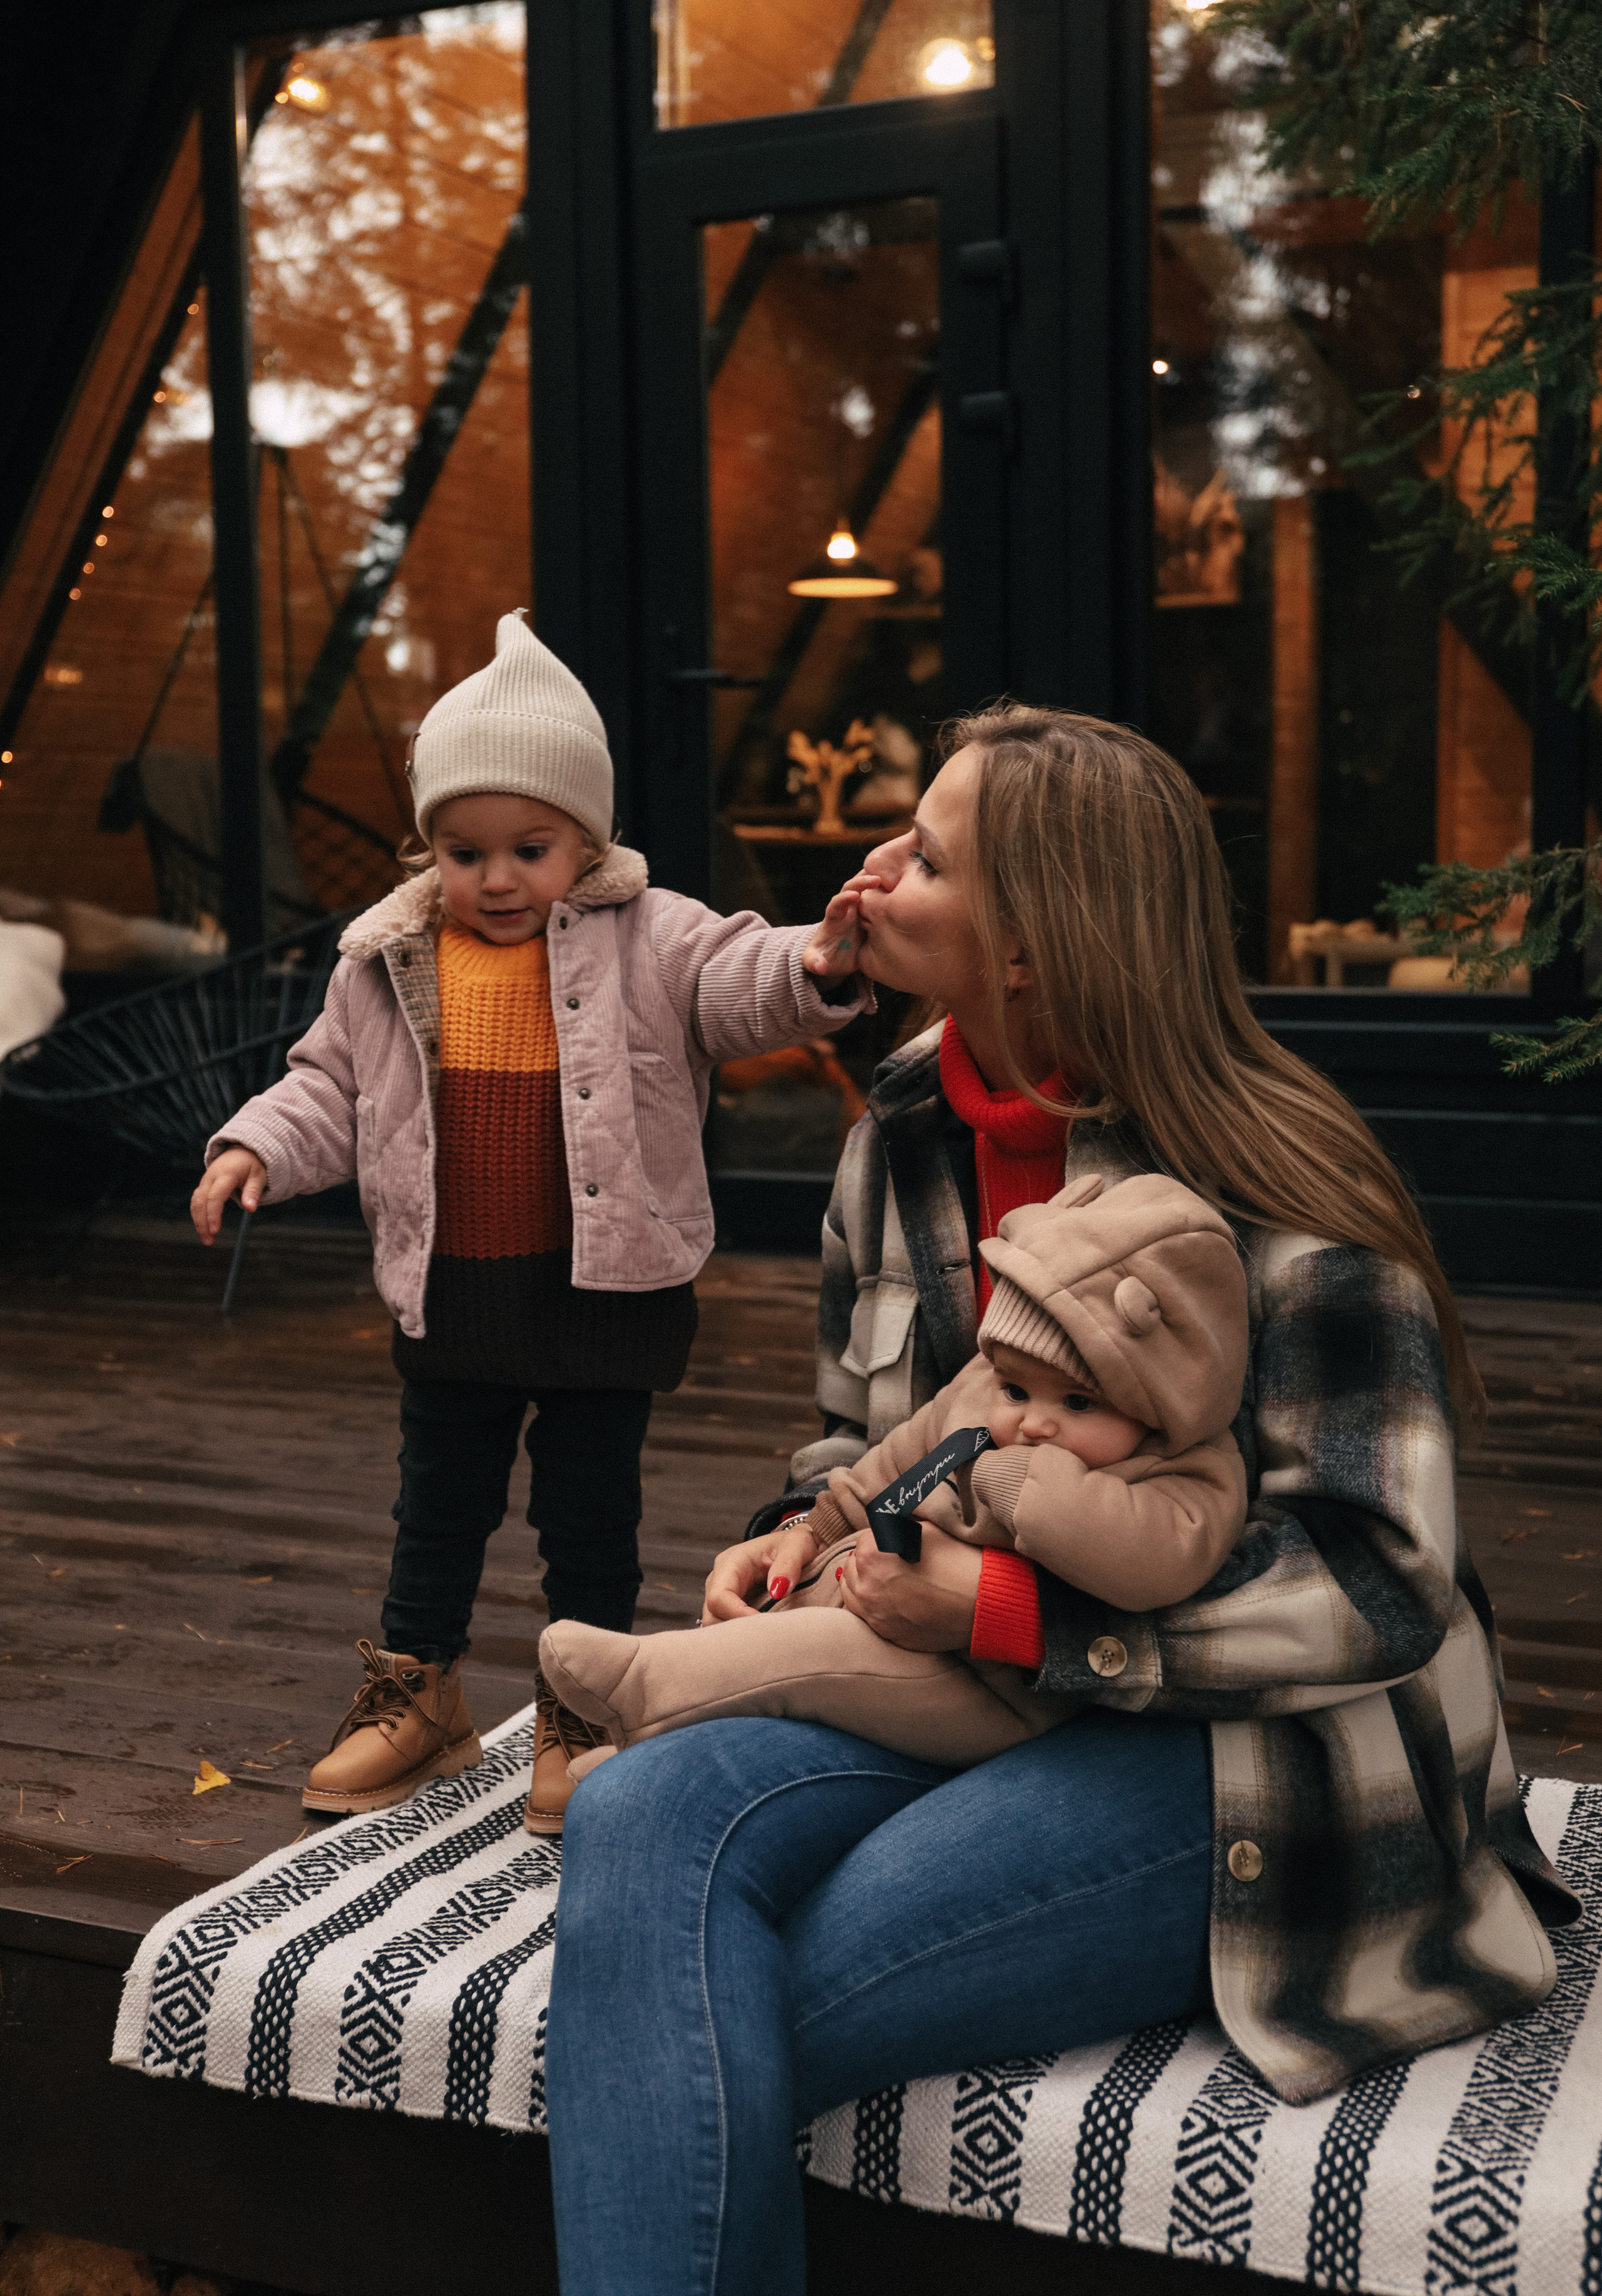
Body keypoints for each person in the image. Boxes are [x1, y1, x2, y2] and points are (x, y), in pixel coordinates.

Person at [542, 704, 1579, 2296]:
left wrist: (1018, 1612)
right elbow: (858, 1434)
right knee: (632, 1811)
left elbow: (1379, 1581)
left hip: (1253, 1751)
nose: (874, 870)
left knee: (702, 1996)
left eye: (928, 855)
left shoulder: (1275, 1183)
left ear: (1025, 945)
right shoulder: (893, 1130)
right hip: (947, 1667)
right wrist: (793, 1525)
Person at [188, 612, 867, 1831]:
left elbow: (739, 979)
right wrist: (253, 1145)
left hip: (604, 1286)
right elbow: (326, 1088)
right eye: (462, 850)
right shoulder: (385, 957)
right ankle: (421, 1692)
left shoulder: (650, 934)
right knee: (436, 1498)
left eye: (529, 847)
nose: (495, 878)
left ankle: (582, 1704)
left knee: (587, 1507)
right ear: (426, 846)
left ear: (585, 837)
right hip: (453, 1287)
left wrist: (811, 967)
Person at [538, 1169, 1250, 1765]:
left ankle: (647, 1682)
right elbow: (898, 1459)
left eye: (1077, 1401)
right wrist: (819, 1526)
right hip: (880, 1591)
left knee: (808, 1658)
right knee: (771, 1634)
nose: (1034, 1421)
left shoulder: (1188, 1474)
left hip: (999, 1690)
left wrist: (1017, 1478)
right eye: (1015, 1390)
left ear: (1157, 1400)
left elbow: (1152, 1559)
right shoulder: (985, 1395)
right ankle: (650, 1742)